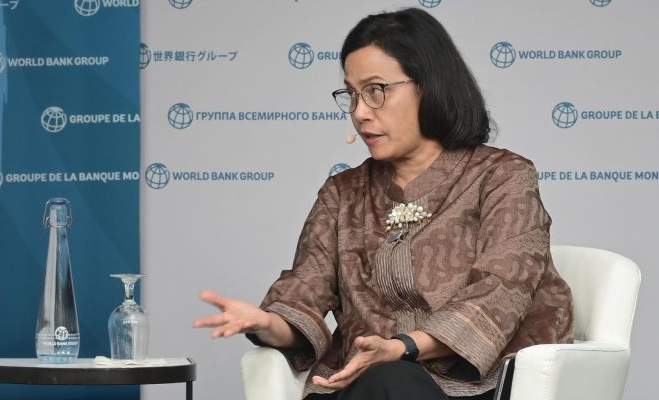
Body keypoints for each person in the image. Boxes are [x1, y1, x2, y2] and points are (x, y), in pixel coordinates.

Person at [193, 7, 574, 400]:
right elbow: (303, 292)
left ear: (429, 87)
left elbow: (501, 291)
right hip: (367, 384)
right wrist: (266, 323)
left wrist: (401, 347)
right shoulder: (343, 193)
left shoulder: (502, 176)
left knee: (391, 380)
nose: (359, 113)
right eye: (352, 95)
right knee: (377, 383)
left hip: (472, 386)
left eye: (376, 90)